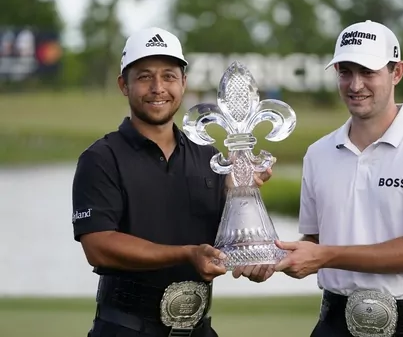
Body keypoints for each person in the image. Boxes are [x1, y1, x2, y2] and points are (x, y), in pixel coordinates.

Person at [234, 20, 403, 337]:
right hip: (334, 325)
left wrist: (325, 256)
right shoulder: (319, 153)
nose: (355, 85)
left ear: (397, 72)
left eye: (368, 72)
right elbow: (314, 243)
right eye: (345, 72)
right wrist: (272, 258)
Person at [71, 27, 272, 337]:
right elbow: (99, 247)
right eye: (144, 77)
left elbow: (225, 243)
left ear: (183, 83)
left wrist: (243, 210)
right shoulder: (102, 158)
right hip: (125, 327)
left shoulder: (210, 157)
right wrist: (186, 254)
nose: (157, 88)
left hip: (199, 328)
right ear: (124, 85)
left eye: (168, 76)